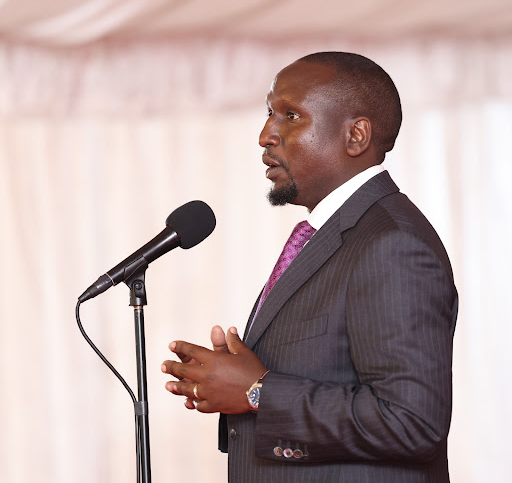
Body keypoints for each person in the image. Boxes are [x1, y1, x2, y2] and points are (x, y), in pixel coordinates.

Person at [161, 51, 458, 482]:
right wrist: (236, 379)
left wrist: (258, 391)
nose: (265, 135)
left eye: (291, 115)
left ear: (356, 136)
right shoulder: (333, 235)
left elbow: (413, 423)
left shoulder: (391, 242)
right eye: (269, 113)